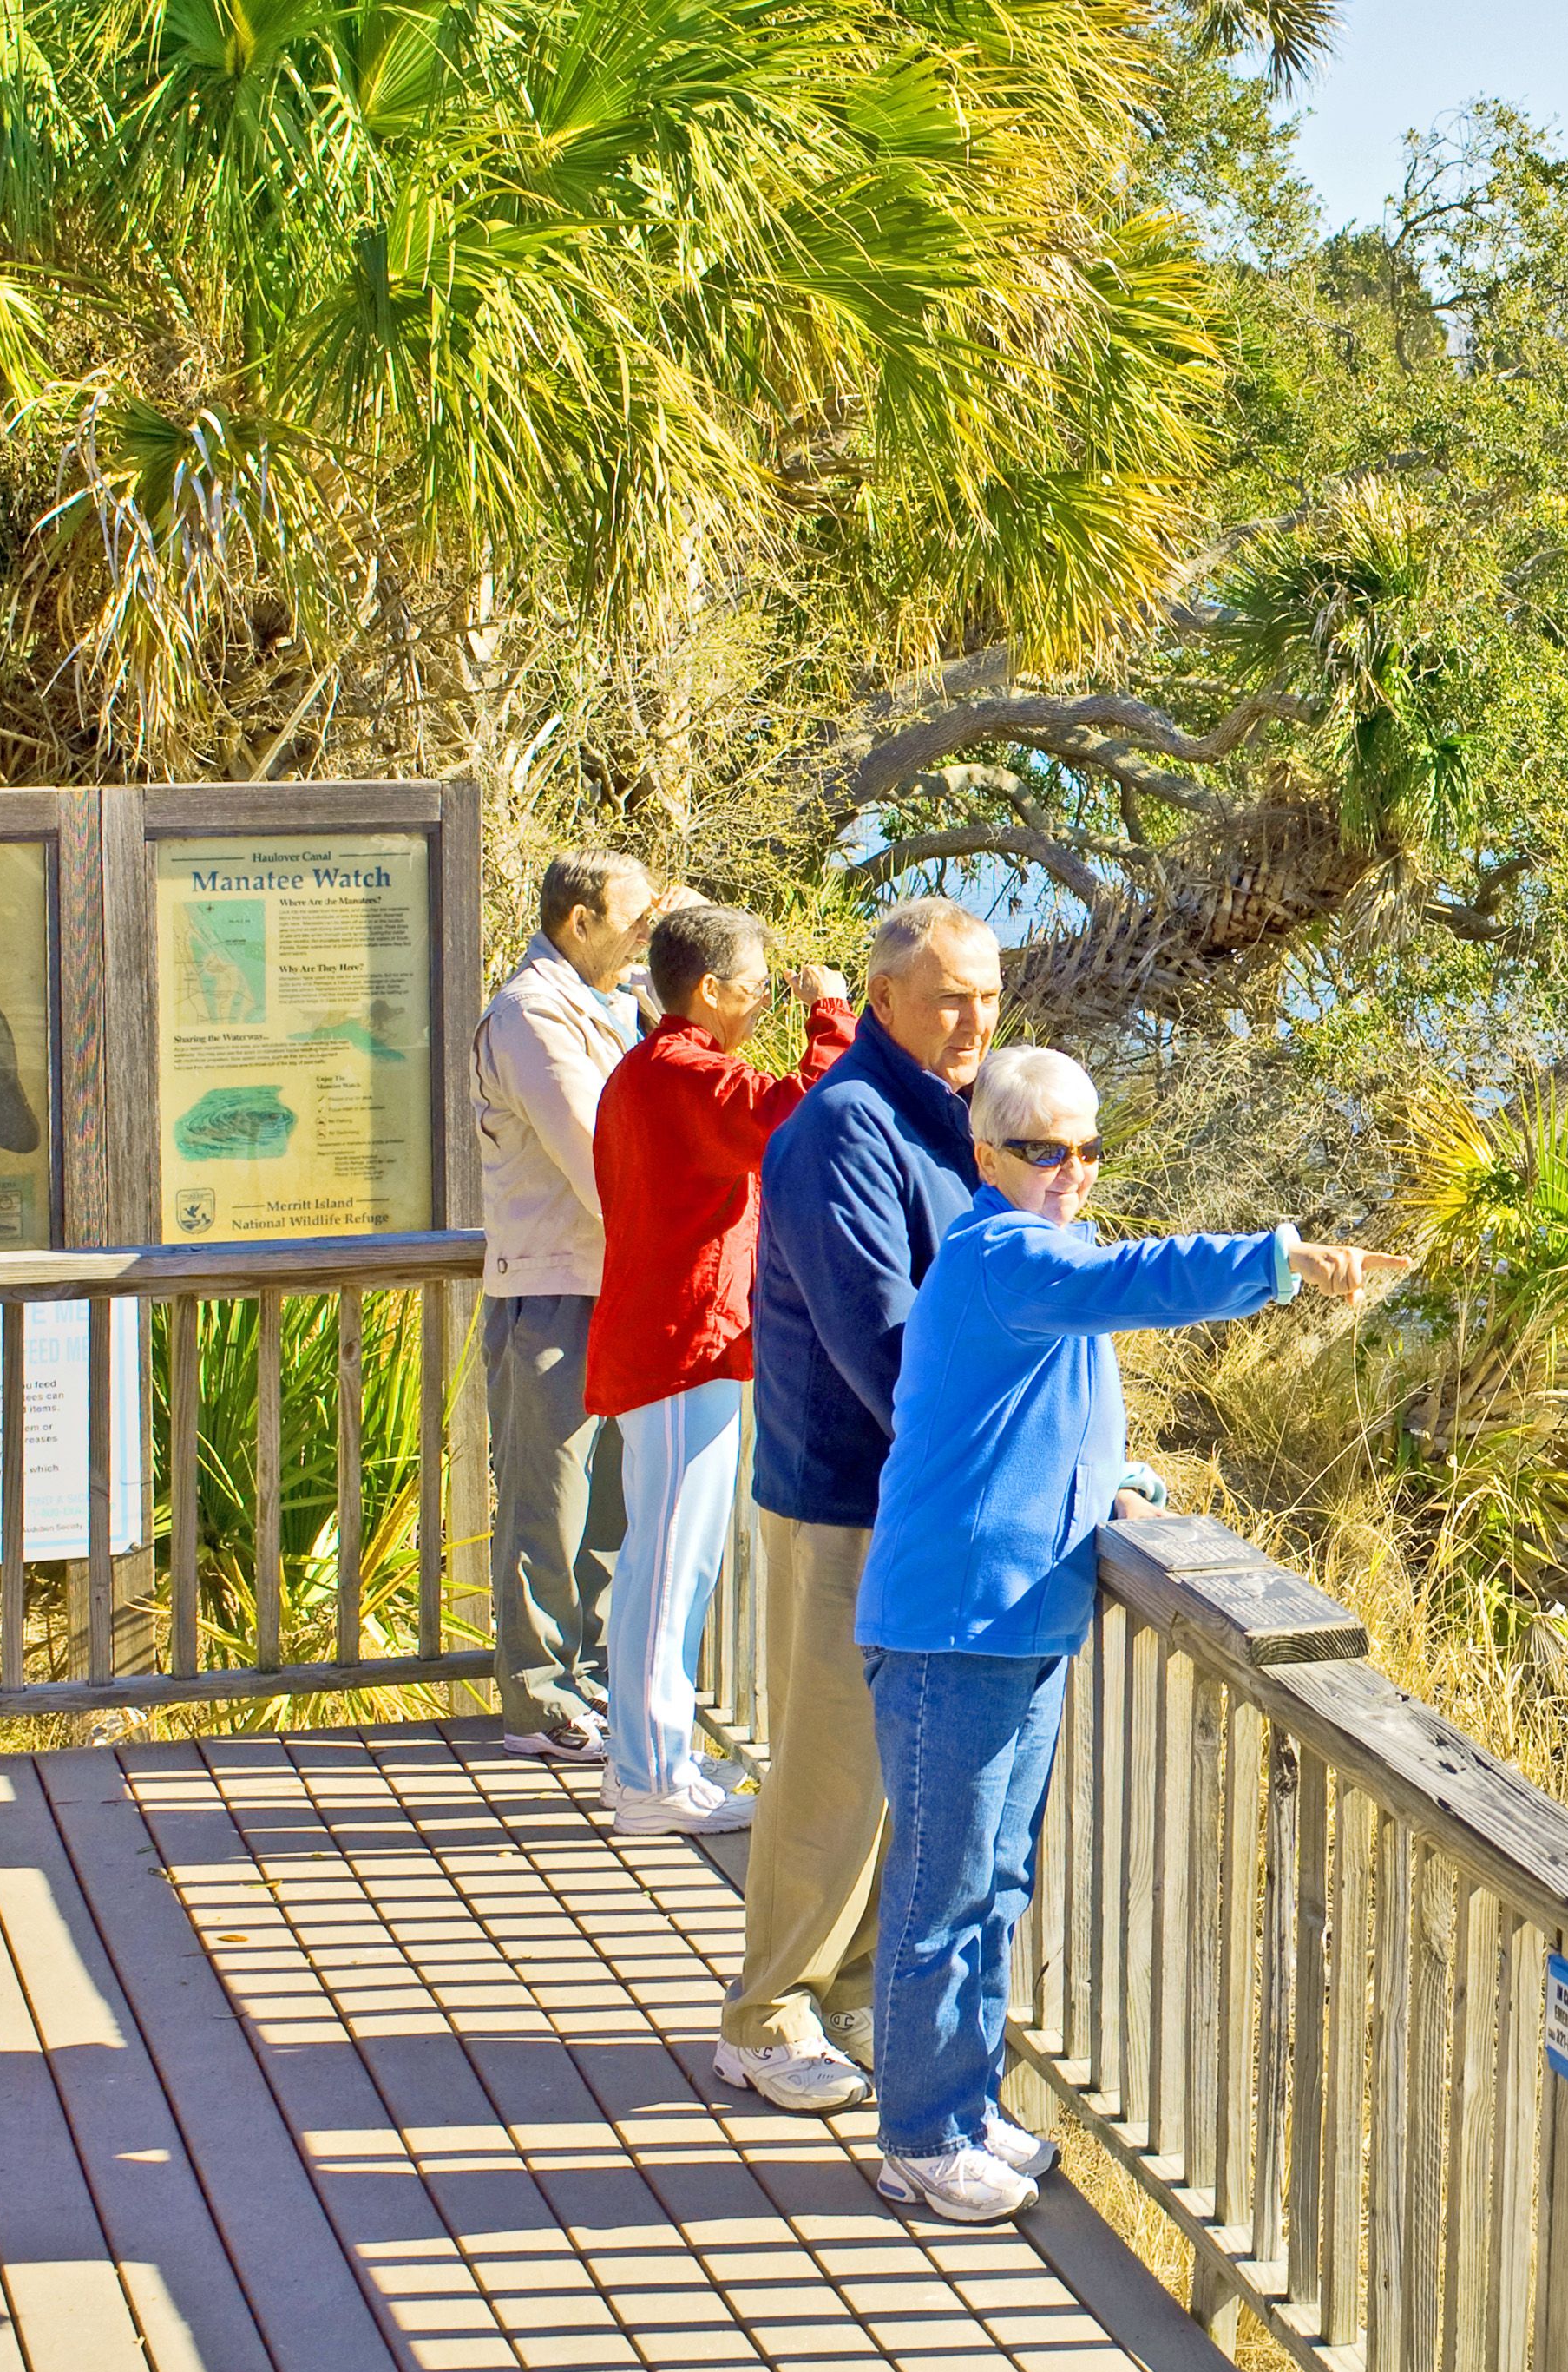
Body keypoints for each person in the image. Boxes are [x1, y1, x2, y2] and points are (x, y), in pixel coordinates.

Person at [854, 1047, 1404, 2220]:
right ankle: (917, 2136)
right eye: (1043, 1150)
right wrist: (1282, 1260)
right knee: (939, 1892)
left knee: (996, 1882)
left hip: (1016, 1621)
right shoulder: (1007, 1253)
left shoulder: (1033, 1271)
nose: (1069, 1173)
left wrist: (1123, 1485)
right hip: (957, 1623)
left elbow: (1044, 1413)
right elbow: (1135, 1284)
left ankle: (966, 2107)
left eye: (1085, 1151)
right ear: (988, 1153)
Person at [709, 897, 1002, 2113]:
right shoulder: (842, 1132)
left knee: (893, 1769)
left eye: (988, 996)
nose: (973, 1020)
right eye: (948, 997)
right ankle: (768, 2013)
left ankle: (854, 1995)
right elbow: (877, 1342)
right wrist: (991, 1461)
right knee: (831, 1769)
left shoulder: (952, 1119)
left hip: (918, 1493)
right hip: (846, 1491)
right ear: (884, 1001)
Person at [585, 905, 851, 1834]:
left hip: (671, 1340)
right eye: (755, 988)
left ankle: (643, 1760)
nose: (761, 1005)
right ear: (710, 990)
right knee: (667, 1565)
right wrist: (831, 1015)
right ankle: (652, 1779)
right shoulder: (685, 1074)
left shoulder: (646, 1071)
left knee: (673, 1559)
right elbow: (797, 1119)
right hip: (678, 1344)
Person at [472, 850, 661, 1764]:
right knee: (548, 1503)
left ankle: (594, 1683)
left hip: (621, 1284)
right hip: (550, 1286)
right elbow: (602, 1161)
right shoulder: (529, 1014)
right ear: (576, 921)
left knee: (616, 1505)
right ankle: (539, 1701)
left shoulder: (618, 1007)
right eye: (632, 920)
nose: (644, 938)